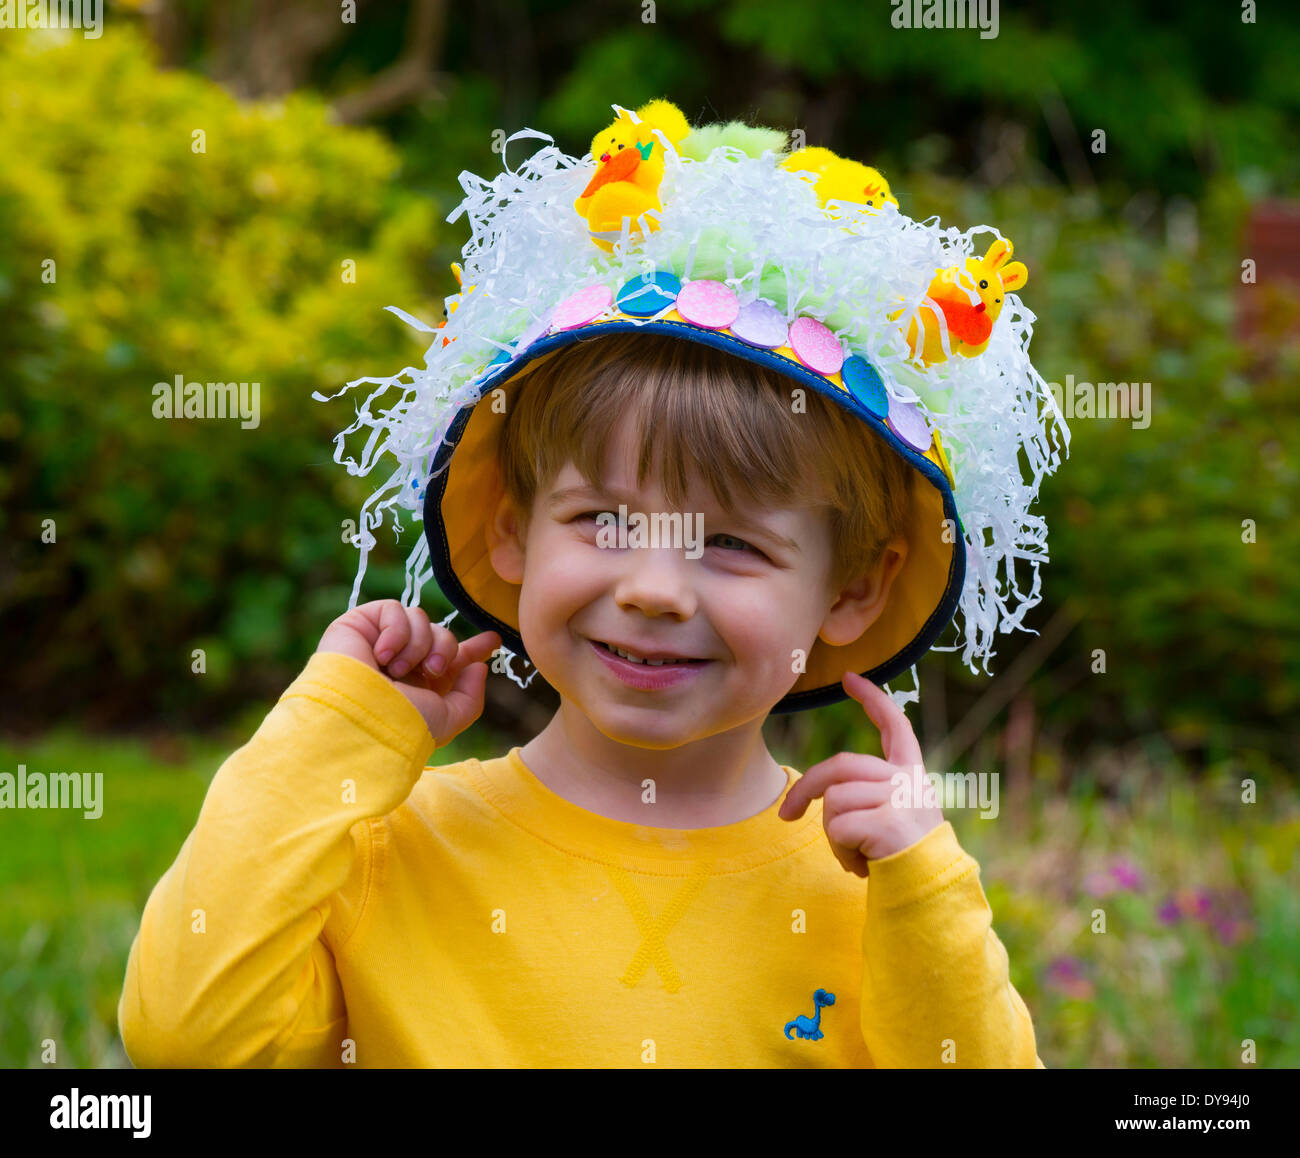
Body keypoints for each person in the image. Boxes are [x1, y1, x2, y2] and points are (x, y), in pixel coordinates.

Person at [118, 98, 1066, 1068]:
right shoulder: (393, 852)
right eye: (605, 521)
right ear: (511, 532)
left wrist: (923, 884)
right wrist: (337, 733)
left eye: (731, 544)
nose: (655, 589)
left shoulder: (876, 896)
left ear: (854, 588)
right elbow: (184, 1036)